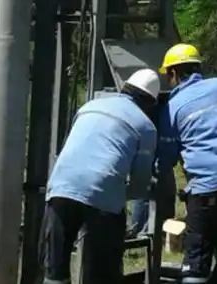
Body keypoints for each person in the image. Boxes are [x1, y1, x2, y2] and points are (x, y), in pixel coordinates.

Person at [41, 68, 160, 284]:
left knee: (55, 269)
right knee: (104, 272)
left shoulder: (88, 107)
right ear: (151, 103)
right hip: (102, 198)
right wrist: (121, 194)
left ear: (123, 88)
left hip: (59, 187)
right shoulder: (146, 126)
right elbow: (141, 182)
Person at [158, 43, 217, 284]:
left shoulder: (171, 108)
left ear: (173, 73)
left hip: (207, 187)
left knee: (197, 255)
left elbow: (168, 156)